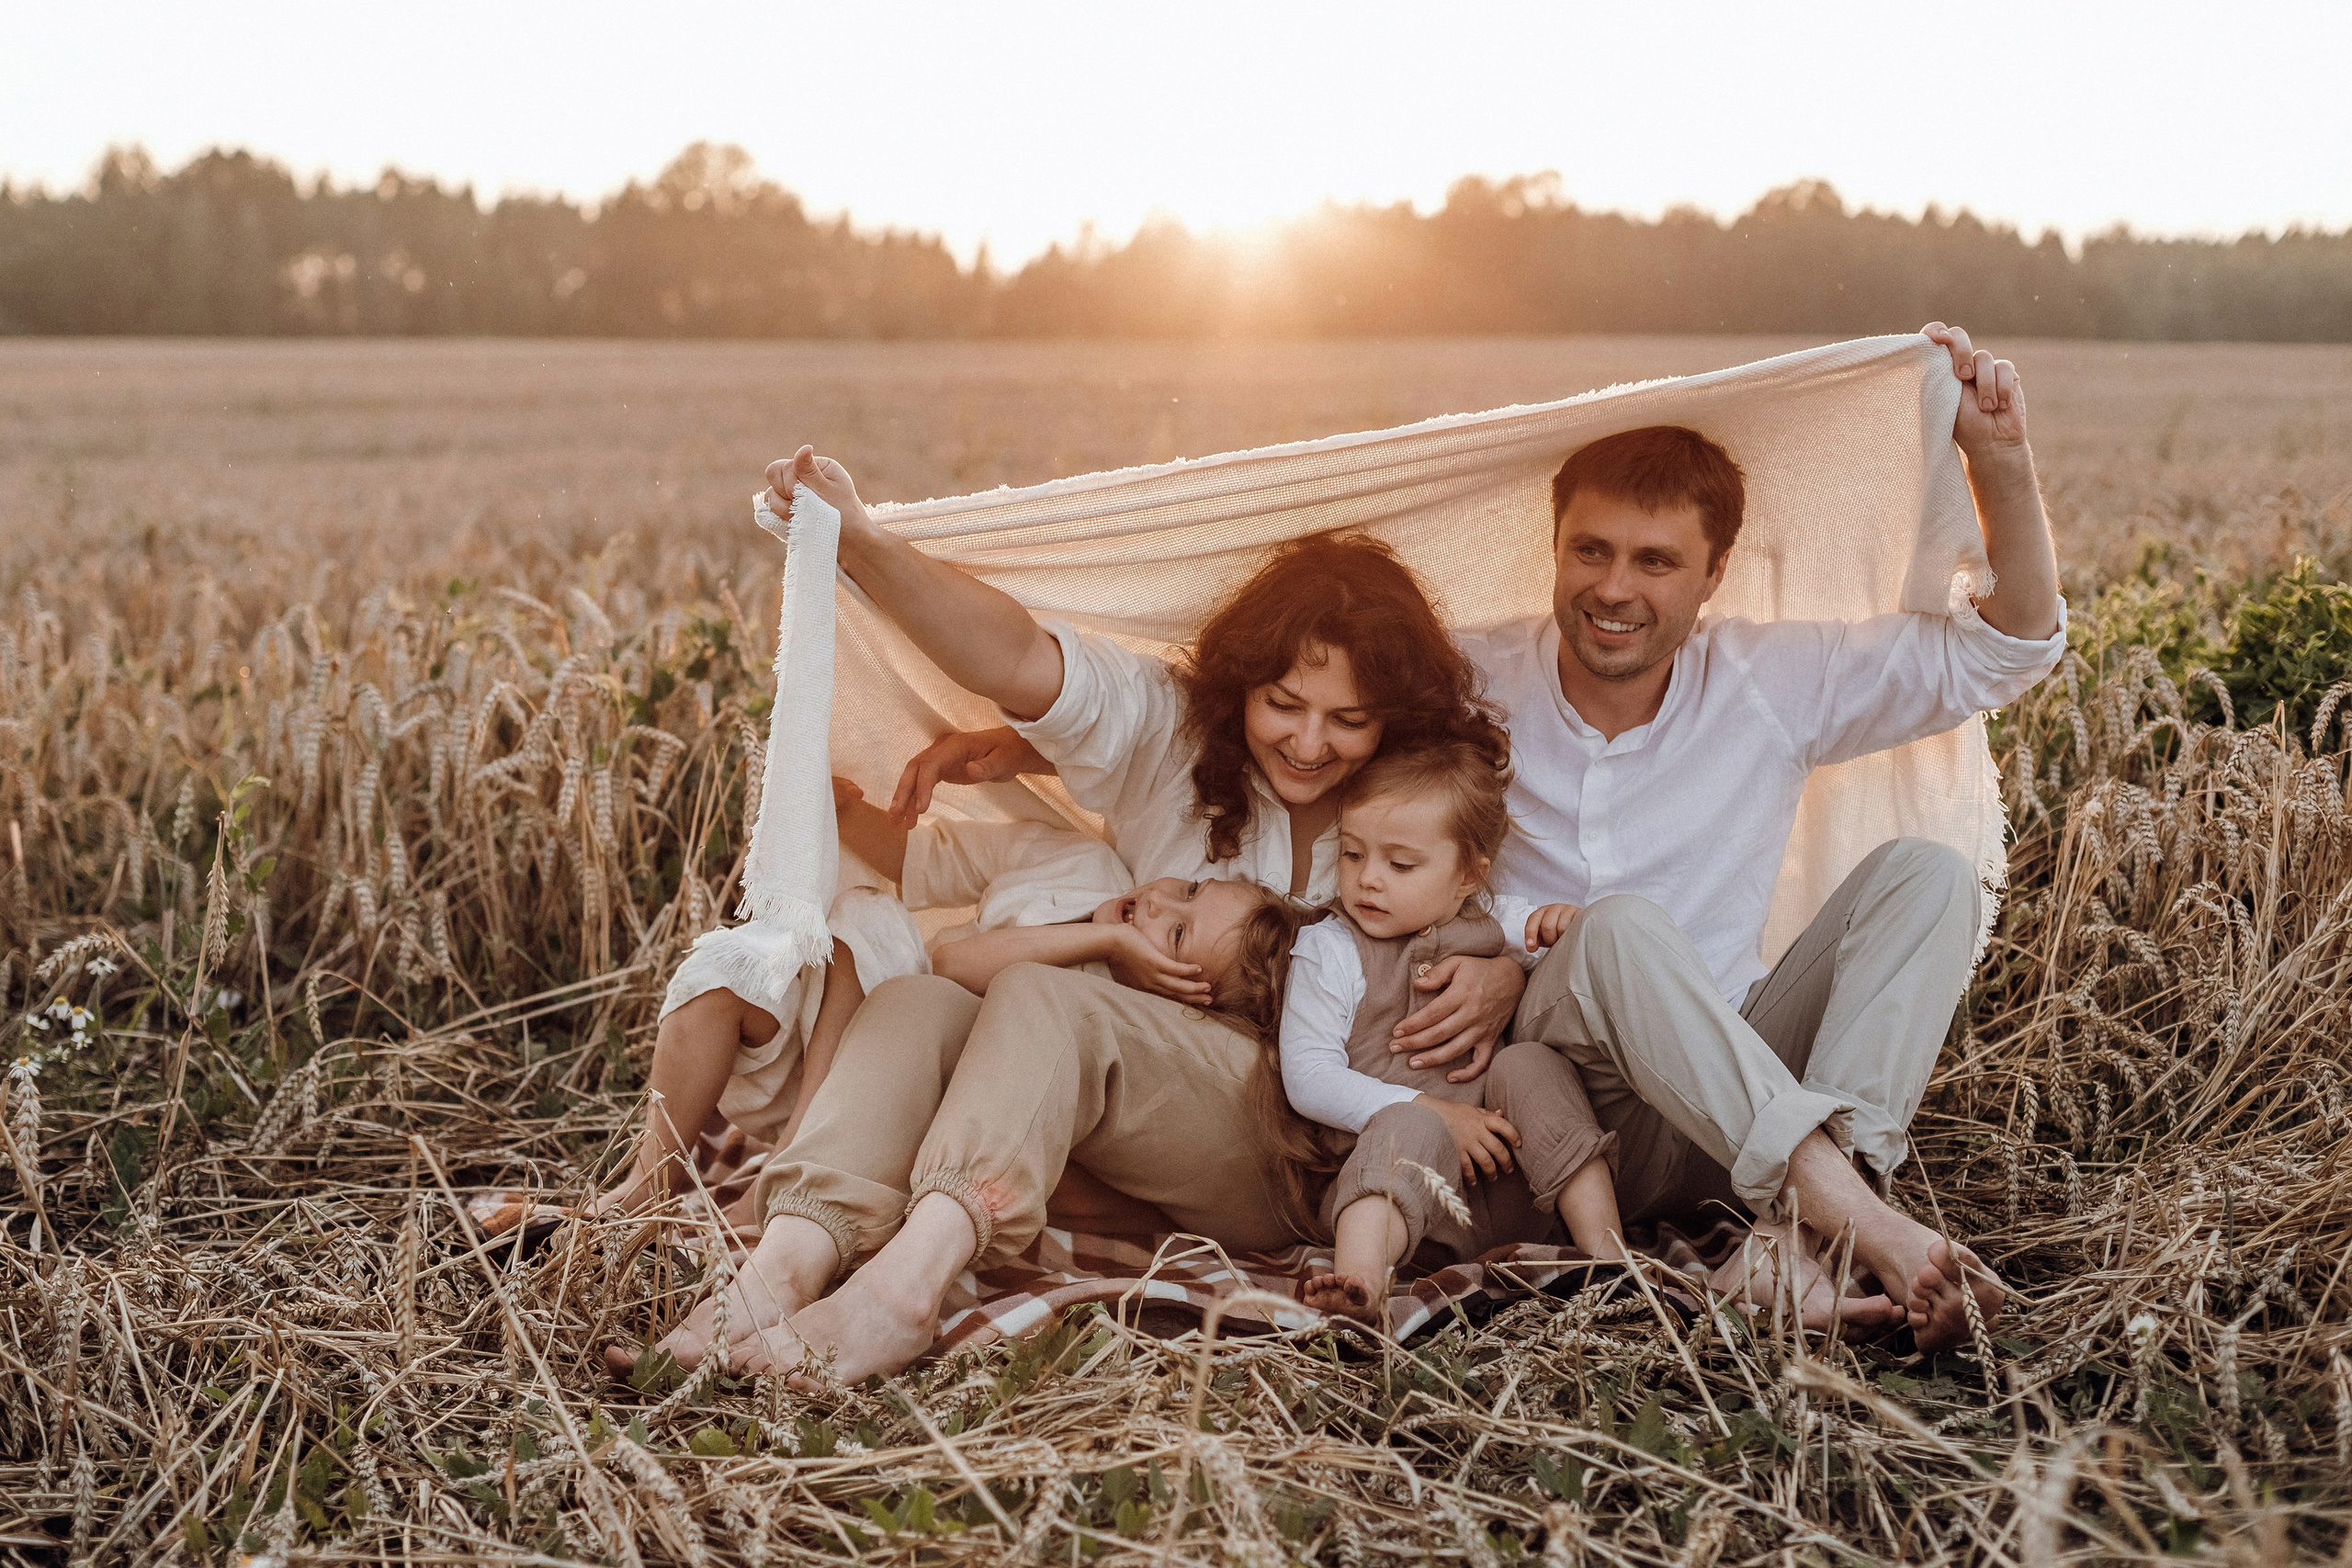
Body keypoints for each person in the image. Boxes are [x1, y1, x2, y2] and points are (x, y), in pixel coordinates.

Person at [871, 323, 2061, 1354]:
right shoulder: (1471, 677)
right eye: (1590, 549)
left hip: (1712, 1103)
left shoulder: (1774, 684)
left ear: (1711, 576)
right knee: (1616, 931)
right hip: (1538, 1085)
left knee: (1926, 878)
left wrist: (1997, 460)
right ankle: (1857, 1221)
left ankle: (1807, 1228)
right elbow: (1277, 693)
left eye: (1656, 561)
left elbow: (2005, 647)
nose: (1615, 587)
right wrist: (1031, 741)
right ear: (1554, 545)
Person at [638, 527, 1518, 1376]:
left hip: (1285, 1139)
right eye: (1282, 703)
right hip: (1125, 1117)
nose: (1309, 741)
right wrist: (859, 540)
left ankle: (904, 1289)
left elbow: (1507, 921)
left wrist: (1505, 972)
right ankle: (781, 1264)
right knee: (918, 1003)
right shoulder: (1176, 741)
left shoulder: (1418, 808)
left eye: (1350, 719)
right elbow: (1024, 661)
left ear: (1393, 719)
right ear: (1241, 685)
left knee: (1045, 995)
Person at [1267, 736, 1628, 1326]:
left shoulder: (1501, 921)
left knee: (1529, 1064)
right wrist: (1431, 1108)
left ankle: (1610, 1258)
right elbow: (1308, 1078)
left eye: (1400, 863)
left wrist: (1567, 925)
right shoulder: (1329, 949)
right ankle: (1359, 1285)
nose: (1368, 880)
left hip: (1515, 1190)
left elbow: (1569, 957)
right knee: (1405, 1125)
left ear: (1468, 875)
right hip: (1405, 1211)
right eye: (1353, 854)